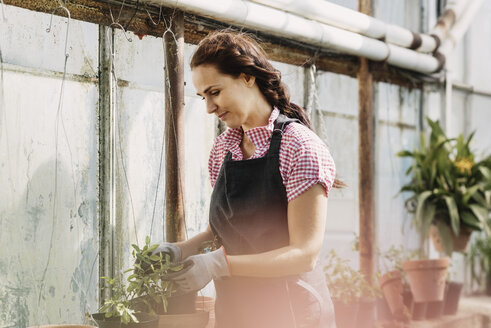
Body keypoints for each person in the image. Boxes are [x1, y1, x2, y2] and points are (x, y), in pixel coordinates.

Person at [156, 30, 342, 328]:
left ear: (247, 77)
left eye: (215, 92)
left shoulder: (299, 146)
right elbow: (222, 231)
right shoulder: (223, 150)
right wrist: (180, 250)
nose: (208, 108)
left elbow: (303, 254)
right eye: (202, 97)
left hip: (291, 313)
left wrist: (218, 263)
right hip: (237, 313)